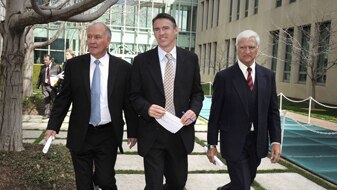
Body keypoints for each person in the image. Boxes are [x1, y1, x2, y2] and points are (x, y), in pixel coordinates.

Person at [44, 22, 138, 190]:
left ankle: (99, 180)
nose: (92, 41)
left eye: (97, 37)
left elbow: (128, 103)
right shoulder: (74, 65)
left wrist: (133, 131)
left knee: (105, 180)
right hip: (81, 132)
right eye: (89, 37)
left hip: (108, 134)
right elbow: (63, 99)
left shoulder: (123, 68)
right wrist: (53, 126)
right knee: (83, 183)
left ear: (108, 40)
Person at [129, 13, 204, 190]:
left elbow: (198, 93)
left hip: (180, 132)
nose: (161, 33)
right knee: (154, 185)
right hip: (152, 133)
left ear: (176, 30)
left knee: (177, 183)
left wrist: (194, 111)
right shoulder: (141, 61)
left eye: (165, 28)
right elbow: (133, 95)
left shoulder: (190, 59)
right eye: (156, 29)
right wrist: (146, 108)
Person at [207, 29, 282, 190]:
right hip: (233, 142)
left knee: (245, 181)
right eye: (242, 47)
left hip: (257, 142)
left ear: (258, 49)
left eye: (251, 47)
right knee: (242, 186)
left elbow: (273, 112)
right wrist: (211, 144)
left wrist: (276, 140)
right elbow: (215, 115)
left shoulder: (268, 76)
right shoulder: (224, 77)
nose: (247, 51)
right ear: (236, 48)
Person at [37, 54, 61, 119]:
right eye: (44, 60)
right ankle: (47, 114)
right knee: (46, 100)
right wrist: (38, 85)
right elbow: (40, 76)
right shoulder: (43, 67)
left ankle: (55, 114)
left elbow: (60, 77)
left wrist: (59, 87)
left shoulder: (56, 66)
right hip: (44, 86)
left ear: (50, 60)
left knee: (54, 100)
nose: (45, 61)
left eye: (46, 60)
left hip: (52, 87)